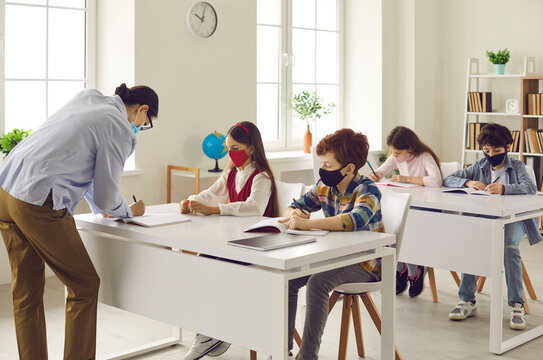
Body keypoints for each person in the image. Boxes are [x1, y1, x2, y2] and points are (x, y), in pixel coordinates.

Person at [0, 83, 158, 360]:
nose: (142, 127)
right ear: (142, 109)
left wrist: (103, 207)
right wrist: (128, 210)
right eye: (147, 123)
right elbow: (108, 193)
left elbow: (78, 163)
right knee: (84, 285)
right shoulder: (120, 127)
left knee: (26, 291)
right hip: (37, 201)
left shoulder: (89, 98)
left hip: (7, 190)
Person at [280, 128, 384, 360]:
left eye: (328, 165)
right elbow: (294, 205)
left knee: (318, 282)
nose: (322, 170)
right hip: (333, 257)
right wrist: (295, 213)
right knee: (286, 279)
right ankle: (283, 350)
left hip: (366, 263)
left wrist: (307, 225)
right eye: (321, 164)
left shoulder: (367, 190)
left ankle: (308, 356)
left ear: (349, 168)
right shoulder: (324, 186)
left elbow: (356, 219)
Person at [180, 121, 278, 360]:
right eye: (227, 147)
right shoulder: (232, 173)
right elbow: (211, 193)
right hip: (234, 243)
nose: (230, 152)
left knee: (217, 270)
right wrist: (190, 201)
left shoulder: (261, 176)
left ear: (251, 148)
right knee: (202, 263)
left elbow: (254, 207)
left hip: (257, 246)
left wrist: (215, 210)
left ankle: (213, 335)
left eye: (235, 147)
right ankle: (210, 334)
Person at [444, 123, 540, 330]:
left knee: (509, 247)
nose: (491, 155)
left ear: (507, 147)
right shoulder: (478, 166)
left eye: (496, 151)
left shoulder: (518, 166)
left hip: (514, 219)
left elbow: (531, 188)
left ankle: (516, 305)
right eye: (487, 151)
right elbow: (449, 179)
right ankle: (467, 301)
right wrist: (467, 183)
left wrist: (504, 188)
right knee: (471, 243)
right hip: (485, 217)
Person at [368, 126, 442, 298]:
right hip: (407, 205)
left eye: (398, 153)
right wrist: (376, 175)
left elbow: (436, 181)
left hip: (425, 208)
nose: (395, 156)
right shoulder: (397, 157)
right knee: (392, 227)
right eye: (392, 152)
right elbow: (381, 171)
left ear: (410, 148)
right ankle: (401, 267)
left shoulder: (424, 157)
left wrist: (406, 179)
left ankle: (413, 268)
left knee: (407, 229)